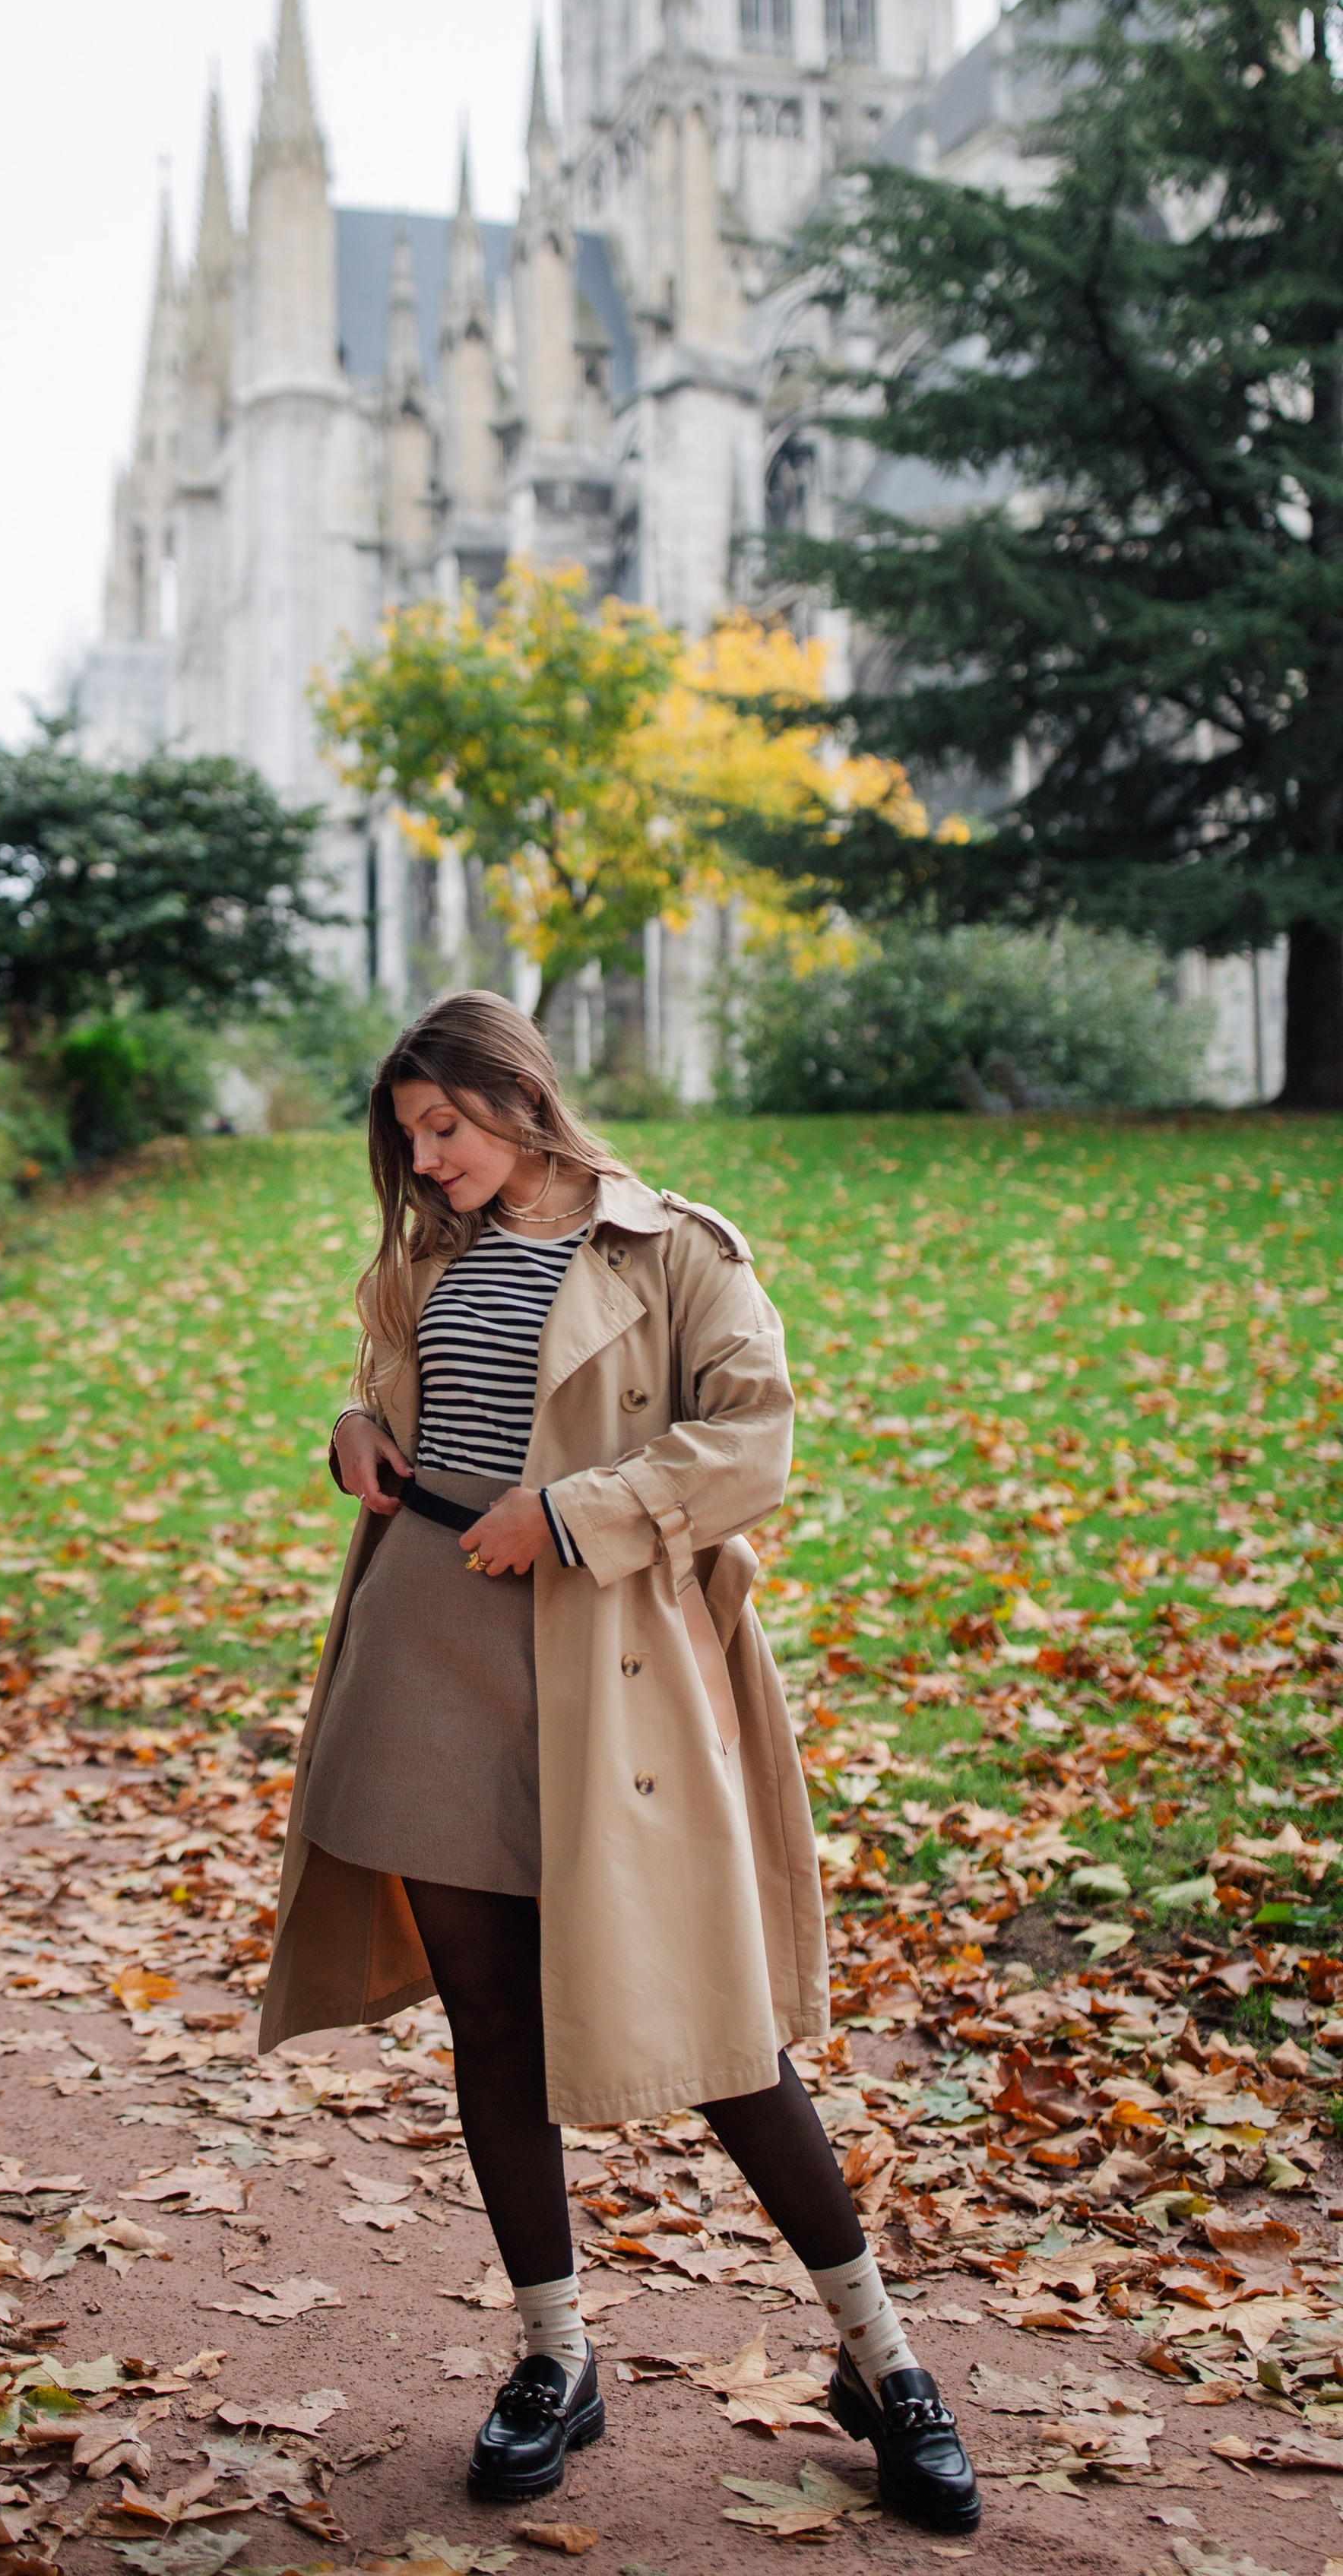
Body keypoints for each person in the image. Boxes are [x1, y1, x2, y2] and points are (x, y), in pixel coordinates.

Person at [259, 991, 978, 2532]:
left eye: (444, 1127)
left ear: (520, 1097)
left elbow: (754, 1439)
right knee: (491, 2029)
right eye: (407, 1139)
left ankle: (881, 2357)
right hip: (421, 1665)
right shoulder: (423, 1257)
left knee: (719, 2040)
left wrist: (578, 1515)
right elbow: (397, 1391)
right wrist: (351, 1434)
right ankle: (552, 2359)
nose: (427, 1159)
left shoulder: (674, 1252)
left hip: (606, 1672)